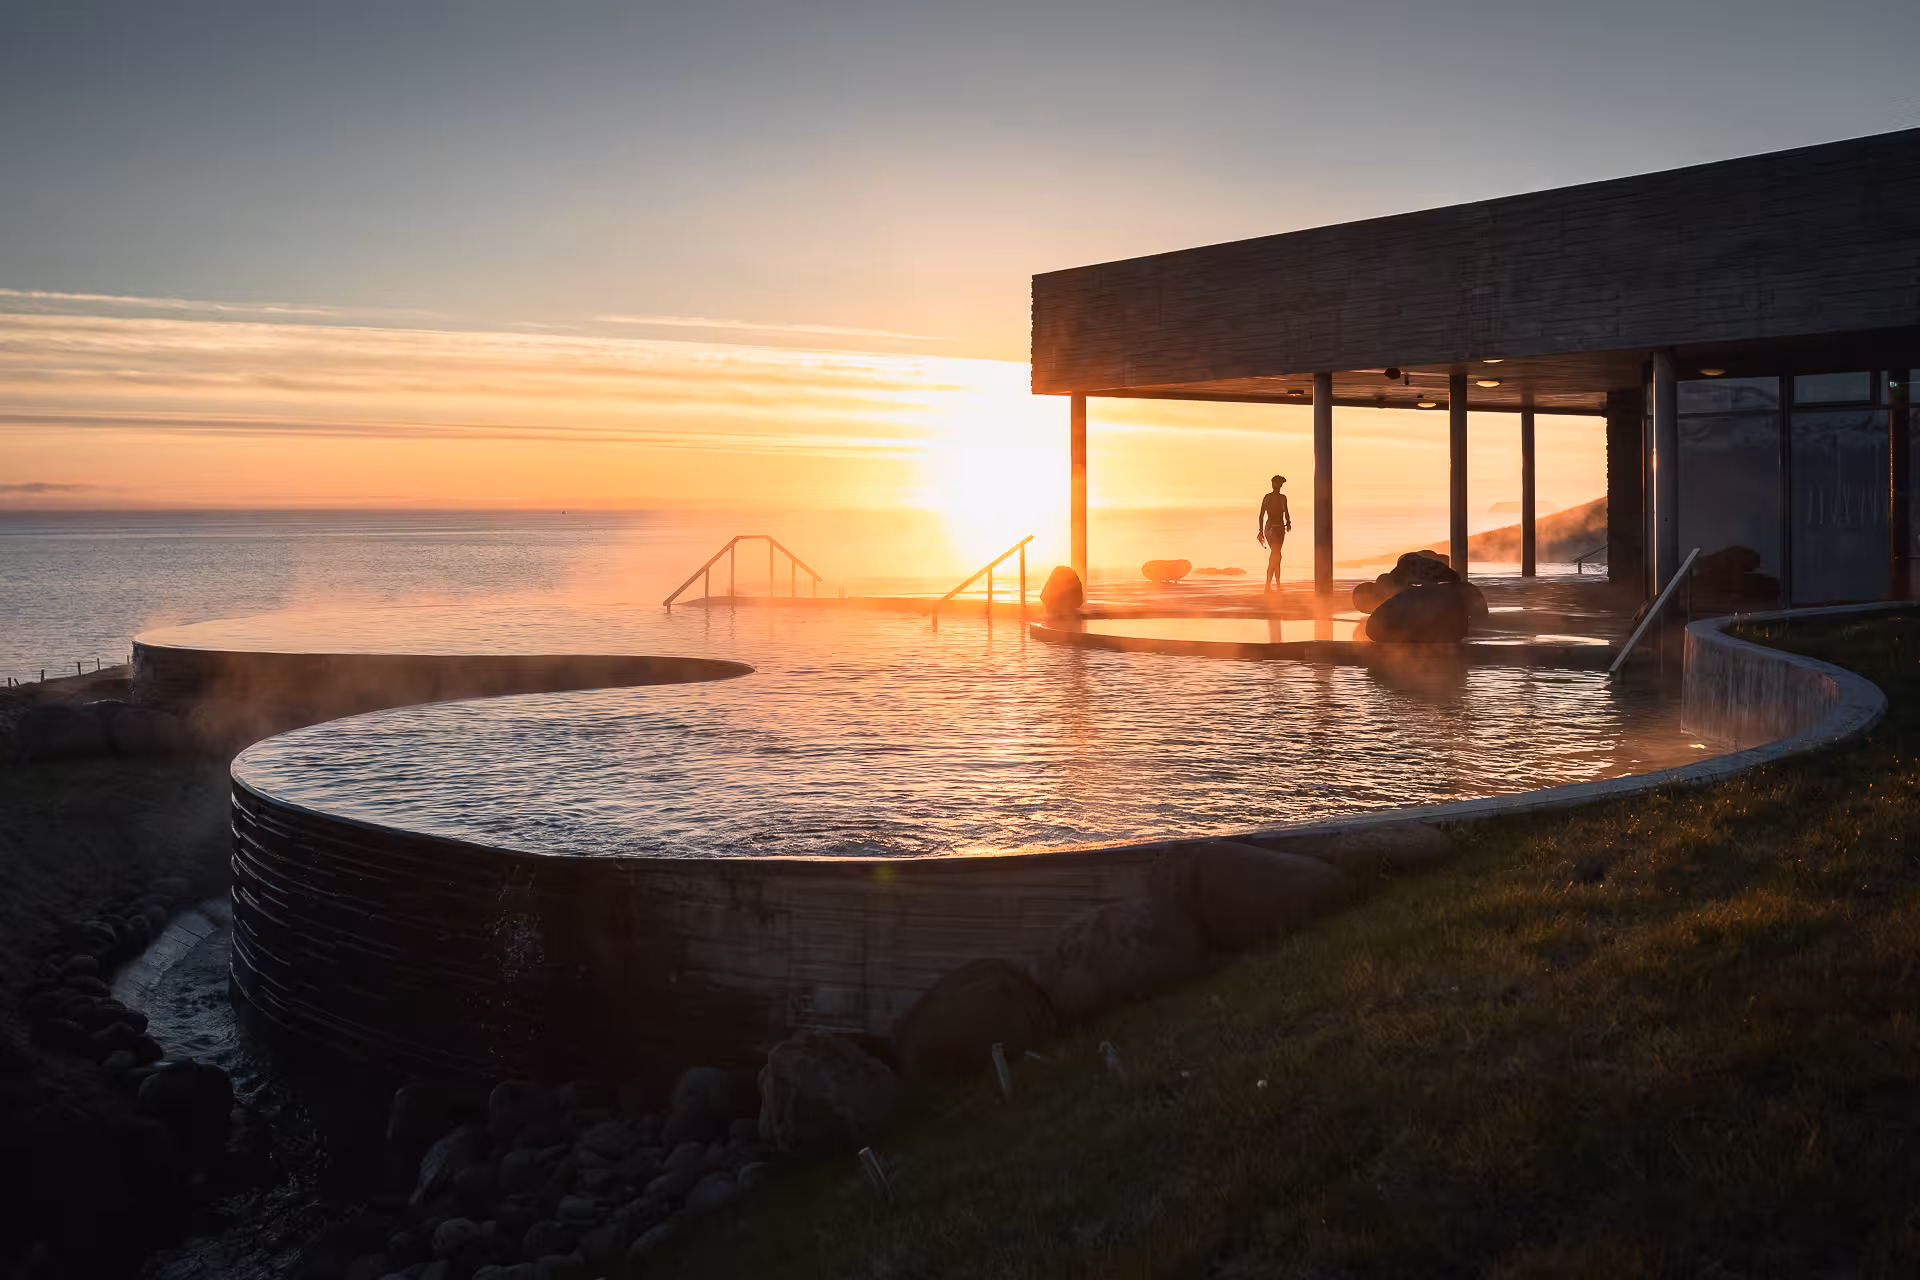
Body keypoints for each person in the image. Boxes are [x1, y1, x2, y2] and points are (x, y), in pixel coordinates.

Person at [1257, 475, 1291, 591]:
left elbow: (1261, 515)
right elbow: (1286, 512)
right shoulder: (1282, 498)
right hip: (1278, 529)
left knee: (1276, 555)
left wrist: (1261, 530)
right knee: (1276, 556)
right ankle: (1272, 585)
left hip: (1269, 529)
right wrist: (1289, 523)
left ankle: (1274, 584)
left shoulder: (1267, 498)